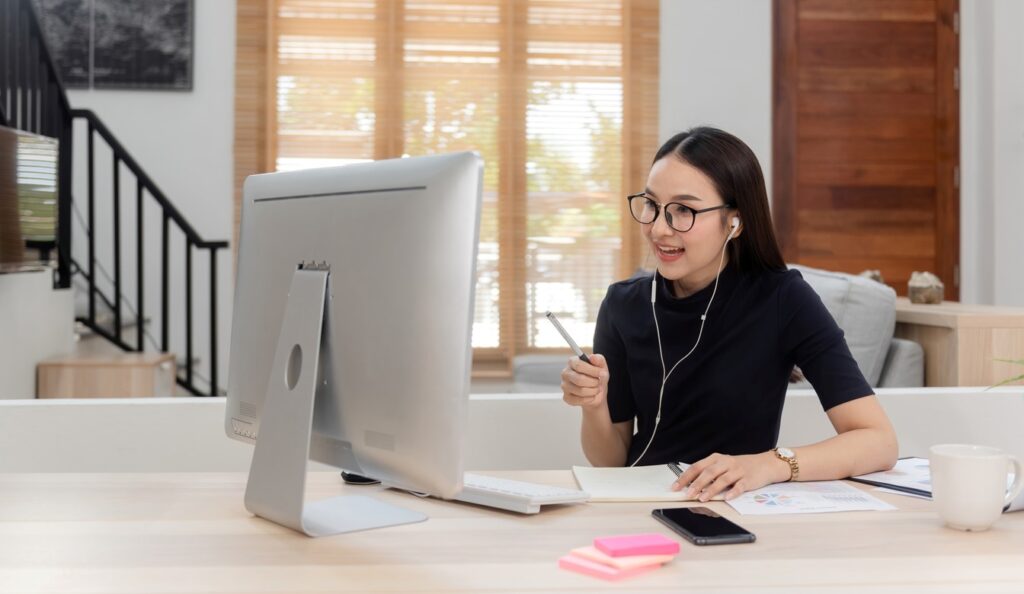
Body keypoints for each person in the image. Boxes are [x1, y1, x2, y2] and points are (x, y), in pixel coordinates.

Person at [560, 126, 897, 501]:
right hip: (641, 505)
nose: (658, 228)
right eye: (653, 205)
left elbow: (878, 442)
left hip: (737, 507)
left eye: (683, 211)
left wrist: (768, 465)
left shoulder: (784, 299)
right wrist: (594, 405)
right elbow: (610, 463)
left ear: (735, 221)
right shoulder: (622, 305)